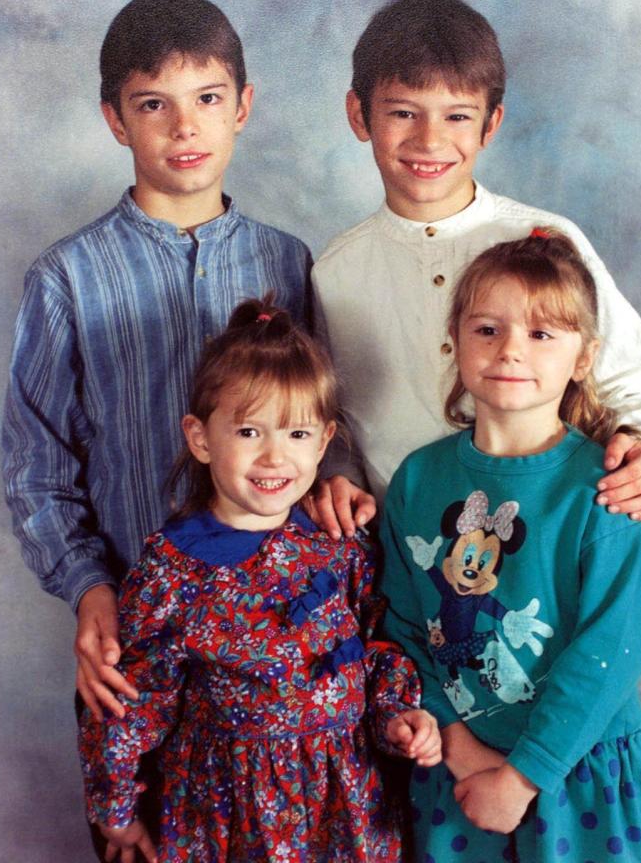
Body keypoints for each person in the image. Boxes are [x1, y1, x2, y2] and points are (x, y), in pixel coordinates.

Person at [2, 0, 372, 728]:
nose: (183, 127)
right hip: (140, 646)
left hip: (280, 656)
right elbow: (35, 470)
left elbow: (325, 414)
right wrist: (88, 586)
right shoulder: (66, 279)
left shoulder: (288, 262)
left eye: (206, 98)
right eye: (151, 105)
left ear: (242, 105)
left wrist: (335, 476)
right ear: (115, 120)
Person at [79, 296, 442, 863]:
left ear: (324, 441)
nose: (276, 457)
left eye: (297, 435)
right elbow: (132, 704)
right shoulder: (172, 571)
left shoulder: (338, 545)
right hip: (228, 812)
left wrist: (398, 715)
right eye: (250, 431)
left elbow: (375, 650)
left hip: (345, 803)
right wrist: (116, 810)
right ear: (200, 438)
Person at [379, 230, 641, 861]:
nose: (510, 351)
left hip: (583, 778)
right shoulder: (417, 479)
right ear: (457, 341)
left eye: (542, 334)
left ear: (584, 357)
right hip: (460, 776)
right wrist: (464, 755)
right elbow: (406, 628)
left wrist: (523, 778)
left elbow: (609, 652)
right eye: (487, 329)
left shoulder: (606, 489)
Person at [312, 0, 641, 522]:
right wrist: (337, 475)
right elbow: (332, 418)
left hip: (545, 533)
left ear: (490, 124)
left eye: (457, 116)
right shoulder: (334, 273)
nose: (429, 140)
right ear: (359, 116)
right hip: (404, 549)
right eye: (404, 112)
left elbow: (627, 378)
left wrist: (637, 445)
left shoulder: (546, 239)